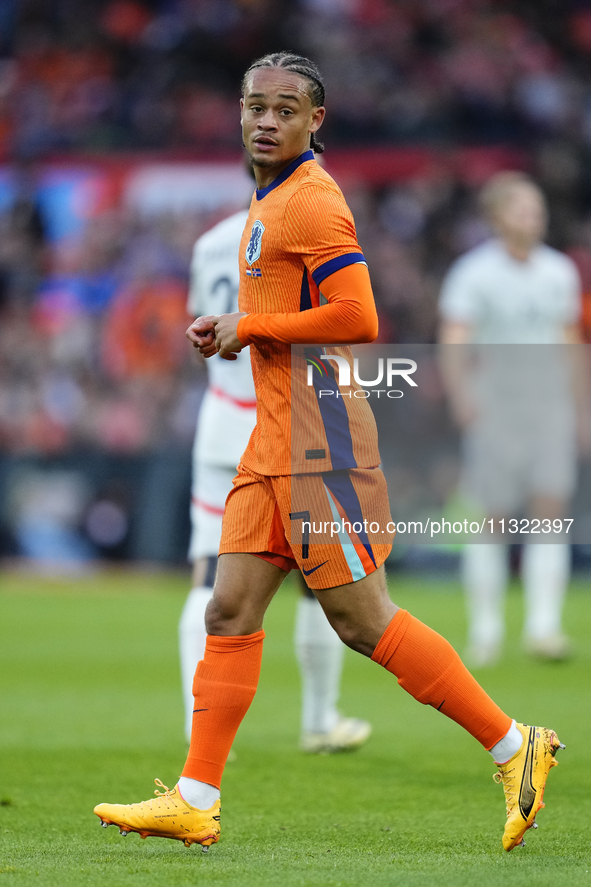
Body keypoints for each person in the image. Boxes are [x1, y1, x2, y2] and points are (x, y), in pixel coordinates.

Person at [94, 53, 563, 854]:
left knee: (360, 620)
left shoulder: (311, 201)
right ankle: (196, 796)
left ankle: (517, 746)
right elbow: (284, 310)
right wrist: (232, 330)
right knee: (227, 608)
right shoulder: (265, 200)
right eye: (254, 106)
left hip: (320, 440)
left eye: (285, 108)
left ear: (317, 121)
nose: (266, 120)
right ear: (238, 114)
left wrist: (256, 327)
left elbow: (359, 316)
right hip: (269, 436)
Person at [180, 200, 371, 752]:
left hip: (219, 419)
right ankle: (318, 720)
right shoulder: (296, 233)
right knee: (320, 577)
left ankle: (203, 728)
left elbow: (203, 335)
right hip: (284, 418)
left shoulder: (210, 239)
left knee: (205, 574)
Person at [439, 172, 585, 667]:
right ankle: (486, 630)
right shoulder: (473, 273)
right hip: (497, 407)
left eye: (537, 208)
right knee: (492, 518)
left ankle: (544, 628)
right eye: (523, 208)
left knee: (551, 511)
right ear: (497, 216)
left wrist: (580, 407)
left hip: (548, 406)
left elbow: (570, 343)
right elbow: (455, 339)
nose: (534, 217)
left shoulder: (559, 271)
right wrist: (462, 397)